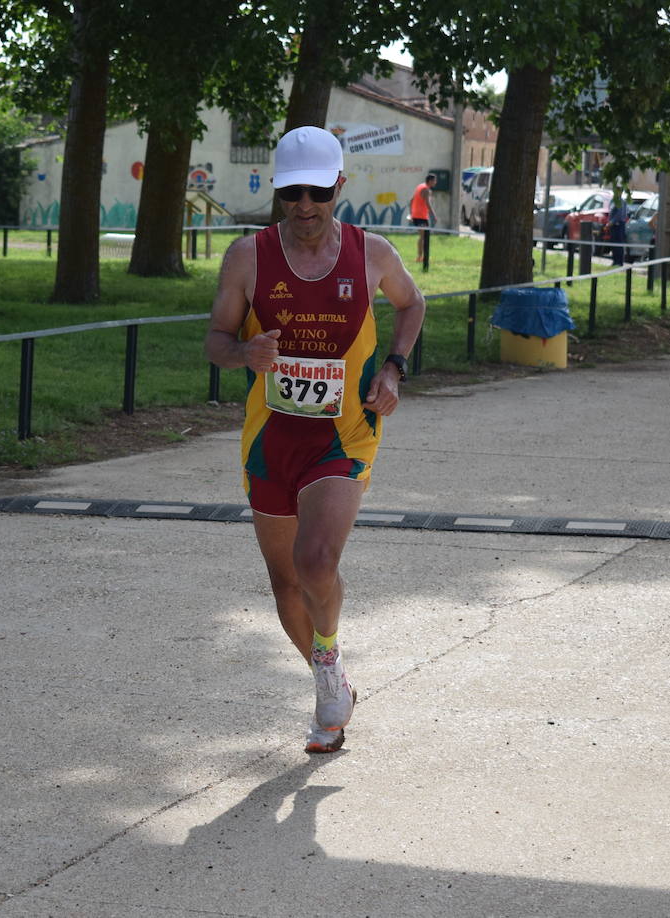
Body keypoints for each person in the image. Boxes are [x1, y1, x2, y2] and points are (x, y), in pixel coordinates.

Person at [204, 126, 427, 755]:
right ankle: (332, 678)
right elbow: (216, 341)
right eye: (292, 192)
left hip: (344, 434)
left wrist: (393, 369)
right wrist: (244, 352)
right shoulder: (247, 257)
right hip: (271, 438)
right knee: (285, 586)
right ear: (279, 191)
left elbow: (412, 305)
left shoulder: (372, 253)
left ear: (339, 187)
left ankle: (326, 663)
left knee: (316, 562)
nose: (305, 205)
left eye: (318, 192)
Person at [409, 172, 438, 262]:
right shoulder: (426, 190)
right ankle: (420, 257)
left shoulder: (420, 186)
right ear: (430, 181)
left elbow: (411, 200)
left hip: (417, 215)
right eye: (434, 180)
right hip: (421, 217)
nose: (435, 182)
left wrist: (411, 213)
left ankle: (421, 256)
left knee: (423, 236)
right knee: (423, 237)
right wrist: (434, 215)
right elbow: (428, 203)